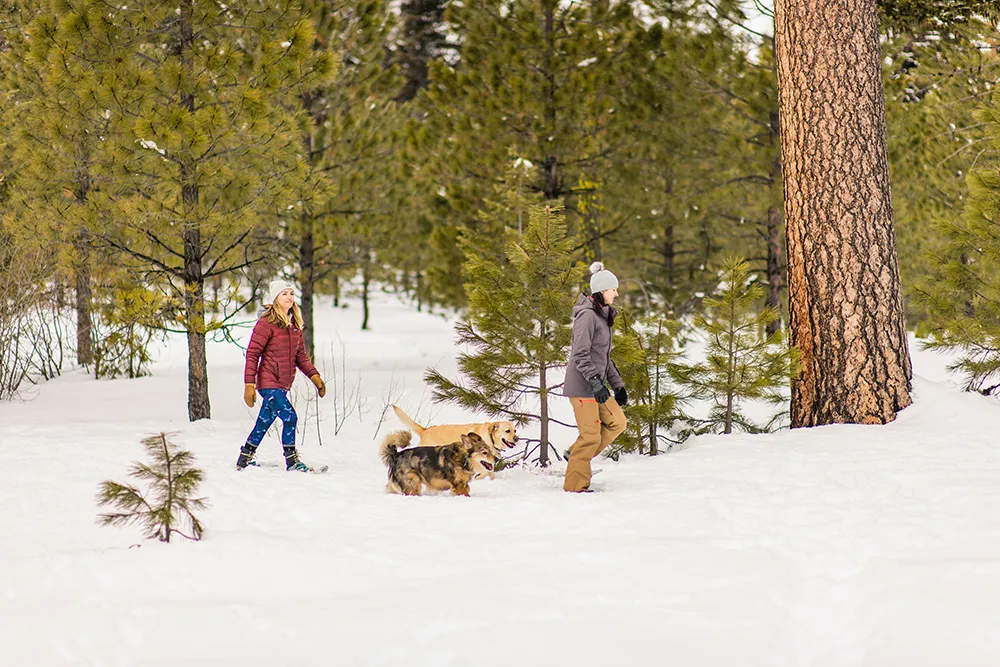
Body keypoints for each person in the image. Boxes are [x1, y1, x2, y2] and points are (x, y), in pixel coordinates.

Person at [237, 281, 327, 472]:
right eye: (284, 293)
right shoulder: (266, 323)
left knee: (264, 421)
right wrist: (249, 385)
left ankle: (244, 458)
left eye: (291, 293)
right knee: (290, 417)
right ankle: (292, 461)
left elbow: (301, 356)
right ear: (275, 298)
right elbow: (253, 353)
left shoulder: (294, 324)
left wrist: (315, 377)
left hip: (283, 383)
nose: (289, 297)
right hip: (268, 382)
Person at [561, 262, 628, 492]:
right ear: (601, 290)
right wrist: (596, 382)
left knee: (618, 422)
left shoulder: (603, 316)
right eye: (613, 289)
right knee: (590, 436)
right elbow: (580, 354)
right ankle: (575, 487)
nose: (616, 293)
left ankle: (576, 453)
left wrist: (617, 386)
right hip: (582, 386)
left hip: (596, 385)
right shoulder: (587, 316)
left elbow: (603, 357)